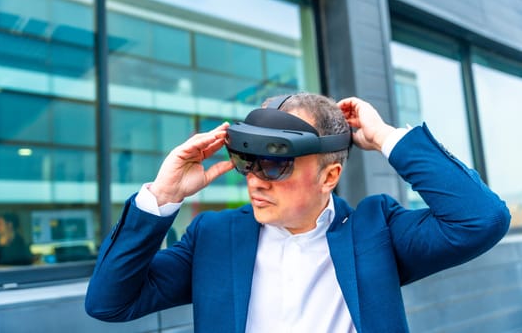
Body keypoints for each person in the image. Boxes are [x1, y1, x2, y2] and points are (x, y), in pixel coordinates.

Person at [85, 93, 510, 332]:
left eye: (275, 162)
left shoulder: (375, 231)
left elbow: (481, 219)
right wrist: (163, 195)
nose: (255, 179)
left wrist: (384, 137)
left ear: (330, 177)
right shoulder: (214, 236)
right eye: (247, 161)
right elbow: (109, 302)